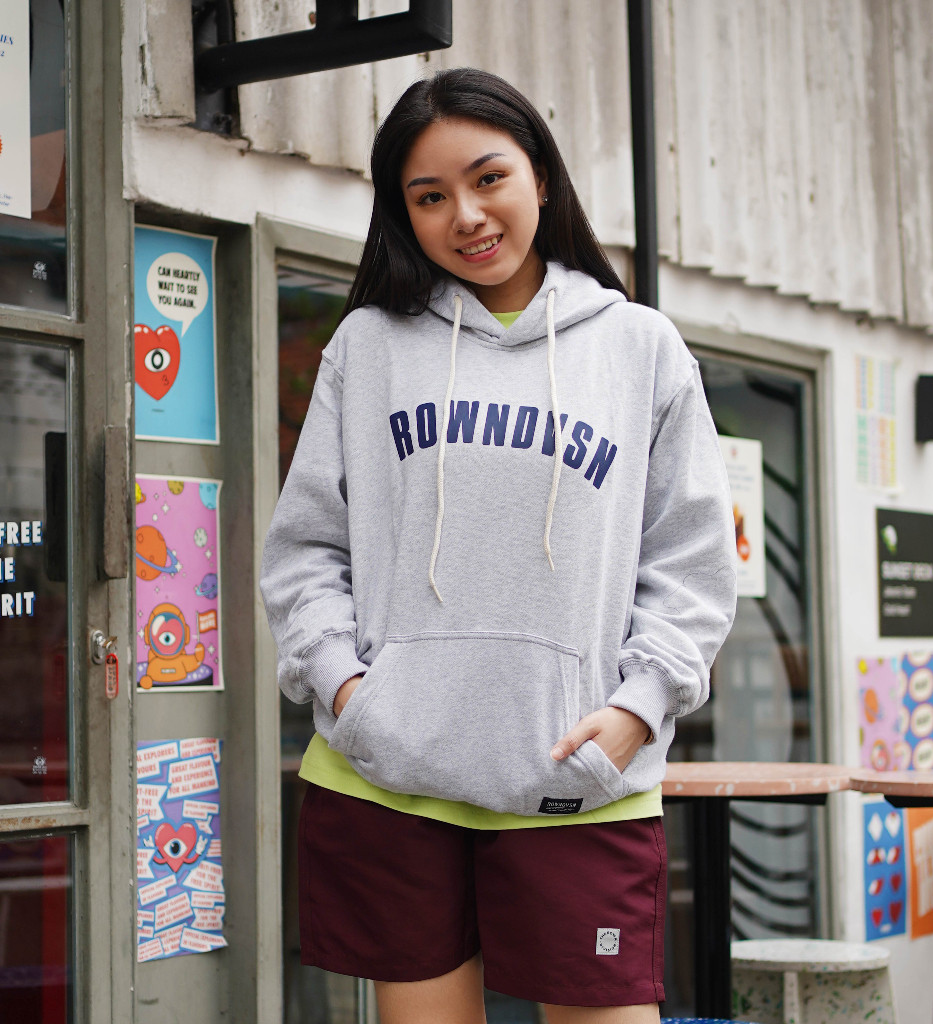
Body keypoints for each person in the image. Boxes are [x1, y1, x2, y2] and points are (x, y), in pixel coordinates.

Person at [260, 67, 737, 1024]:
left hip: (579, 779)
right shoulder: (369, 346)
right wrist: (347, 688)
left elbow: (691, 561)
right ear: (403, 214)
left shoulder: (640, 348)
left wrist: (637, 709)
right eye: (429, 196)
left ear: (541, 178)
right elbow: (307, 546)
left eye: (488, 179)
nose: (467, 216)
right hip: (390, 774)